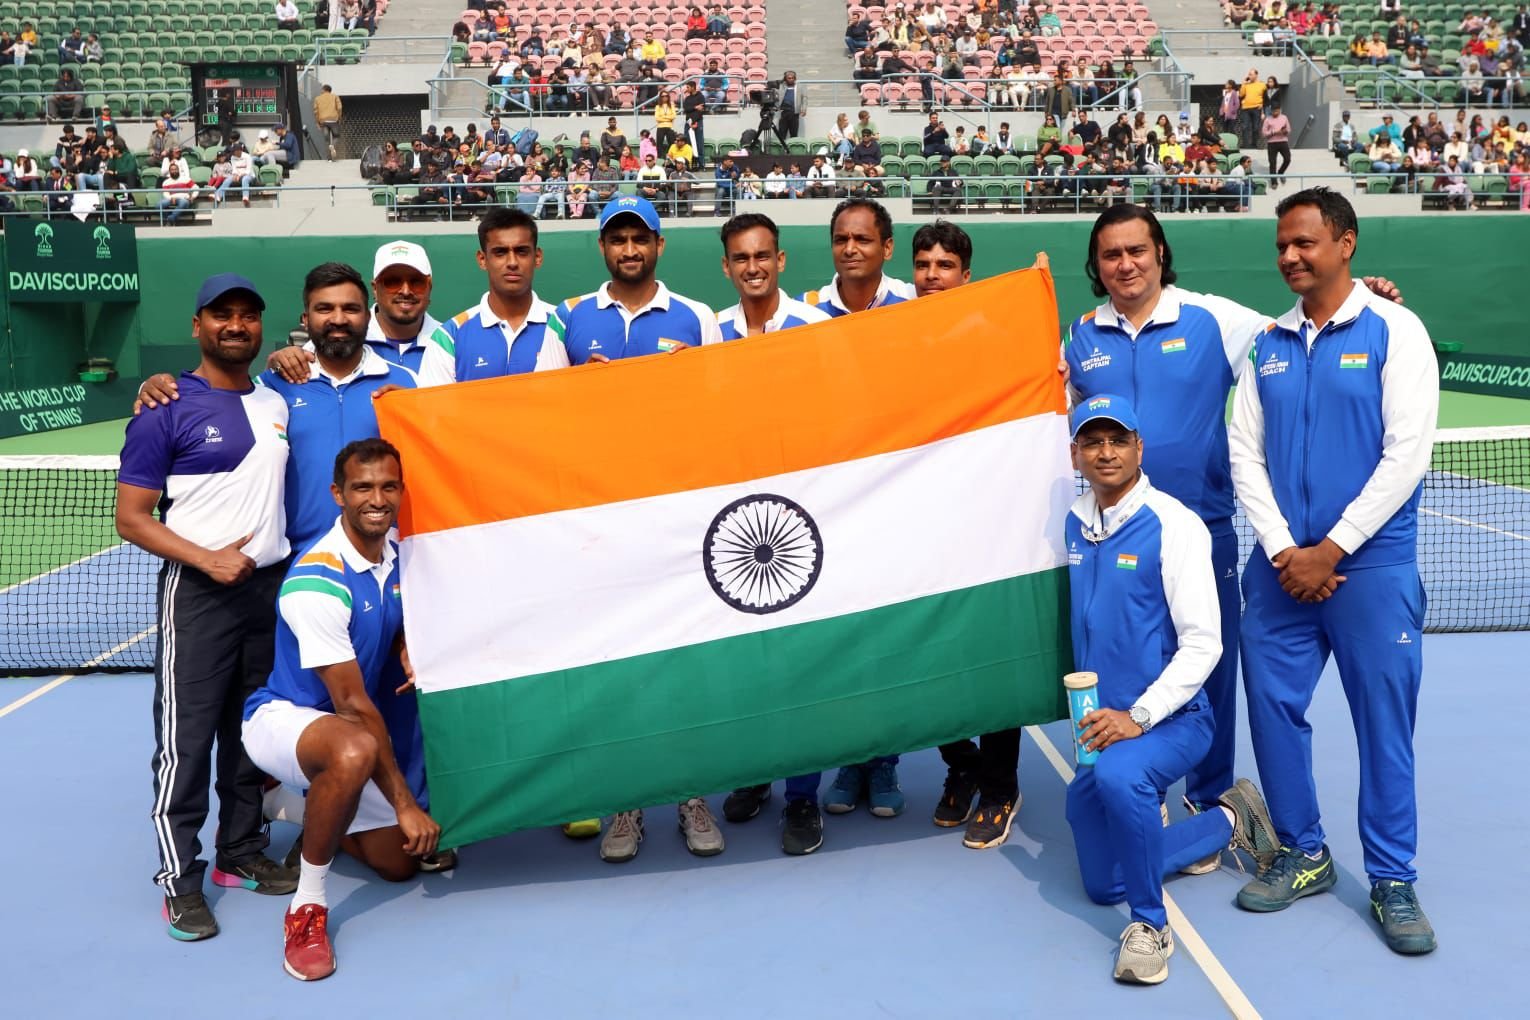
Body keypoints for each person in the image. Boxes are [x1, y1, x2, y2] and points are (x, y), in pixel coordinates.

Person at [1228, 188, 1439, 956]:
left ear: (1345, 244)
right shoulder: (1267, 344)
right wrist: (1287, 550)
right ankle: (1303, 851)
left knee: (1385, 727)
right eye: (1282, 244)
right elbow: (1243, 452)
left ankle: (1391, 877)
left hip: (1373, 567)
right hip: (1280, 571)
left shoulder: (1397, 331)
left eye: (1305, 243)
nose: (1289, 256)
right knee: (1274, 714)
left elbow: (1406, 453)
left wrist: (1335, 546)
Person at [1063, 392, 1281, 985]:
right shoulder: (1076, 521)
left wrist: (1138, 714)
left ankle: (1149, 927)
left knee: (1119, 777)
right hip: (1102, 726)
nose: (1105, 452)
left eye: (1117, 440)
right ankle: (1225, 820)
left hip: (1174, 720)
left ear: (1139, 448)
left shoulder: (1175, 525)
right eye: (1092, 441)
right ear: (1076, 453)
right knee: (1100, 878)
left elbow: (1205, 644)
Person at [115, 274, 299, 942]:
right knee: (186, 742)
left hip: (267, 593)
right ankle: (180, 881)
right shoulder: (163, 407)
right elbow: (132, 519)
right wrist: (206, 558)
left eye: (250, 316)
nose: (237, 325)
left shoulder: (278, 403)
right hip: (198, 594)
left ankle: (240, 853)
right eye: (223, 315)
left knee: (252, 732)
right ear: (198, 325)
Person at [546, 195, 723, 862]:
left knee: (685, 662)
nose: (628, 249)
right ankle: (625, 801)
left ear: (659, 245)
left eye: (639, 237)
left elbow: (722, 412)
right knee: (618, 662)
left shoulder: (696, 318)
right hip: (601, 522)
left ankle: (692, 792)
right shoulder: (570, 320)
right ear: (602, 248)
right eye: (617, 238)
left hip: (678, 519)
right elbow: (541, 411)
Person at [242, 438, 439, 981]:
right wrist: (404, 803)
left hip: (350, 731)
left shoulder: (399, 551)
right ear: (338, 494)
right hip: (285, 720)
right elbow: (352, 706)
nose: (377, 498)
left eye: (388, 486)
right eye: (362, 487)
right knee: (355, 748)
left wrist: (405, 644)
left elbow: (397, 617)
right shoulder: (317, 581)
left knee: (399, 865)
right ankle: (307, 906)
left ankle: (296, 807)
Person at [420, 208, 569, 386]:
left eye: (522, 251)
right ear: (482, 259)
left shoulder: (564, 327)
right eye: (500, 252)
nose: (512, 262)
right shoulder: (449, 337)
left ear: (537, 257)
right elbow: (434, 411)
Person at [800, 197, 916, 317]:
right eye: (841, 240)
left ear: (887, 248)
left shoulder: (914, 300)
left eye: (862, 240)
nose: (849, 250)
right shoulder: (805, 310)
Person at [1262, 103, 1292, 188]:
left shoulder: (1284, 117)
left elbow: (1289, 129)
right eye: (1273, 110)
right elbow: (1264, 133)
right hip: (1272, 143)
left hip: (1283, 141)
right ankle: (1274, 182)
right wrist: (1274, 132)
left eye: (1276, 110)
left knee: (1287, 159)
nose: (1275, 112)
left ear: (1279, 110)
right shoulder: (1268, 119)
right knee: (1272, 162)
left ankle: (1281, 172)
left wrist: (1285, 131)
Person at [312, 85, 343, 161]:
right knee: (336, 136)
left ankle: (329, 158)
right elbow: (339, 108)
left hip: (323, 121)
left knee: (327, 139)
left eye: (321, 89)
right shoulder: (335, 97)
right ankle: (333, 146)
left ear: (324, 90)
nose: (320, 91)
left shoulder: (317, 98)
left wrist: (317, 122)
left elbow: (316, 111)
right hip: (333, 120)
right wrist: (339, 117)